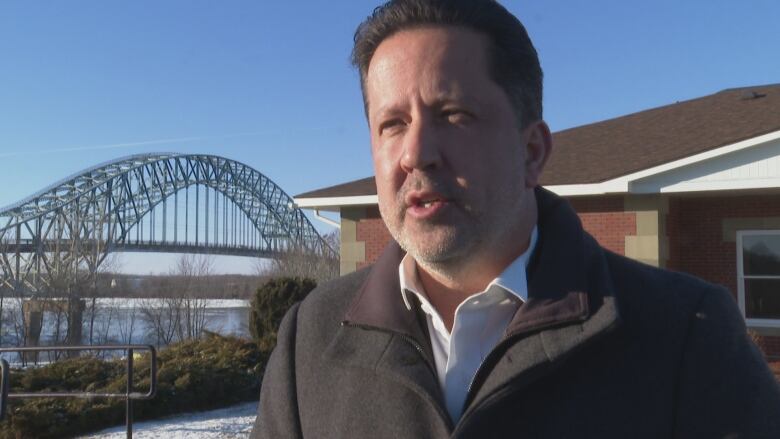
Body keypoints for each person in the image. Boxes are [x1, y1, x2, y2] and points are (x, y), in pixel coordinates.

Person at [252, 0, 780, 437]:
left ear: (531, 151)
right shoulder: (311, 339)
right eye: (392, 123)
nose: (416, 153)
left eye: (453, 115)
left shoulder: (687, 335)